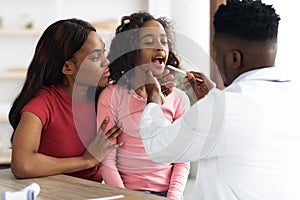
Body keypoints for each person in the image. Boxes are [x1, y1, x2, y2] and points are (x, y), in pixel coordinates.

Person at [140, 0, 300, 199]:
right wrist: (211, 99)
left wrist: (153, 99)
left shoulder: (222, 109)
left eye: (215, 51)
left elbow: (158, 147)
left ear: (234, 58)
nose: (213, 58)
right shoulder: (294, 96)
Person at [8, 18, 122, 181]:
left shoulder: (106, 98)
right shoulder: (43, 103)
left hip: (95, 193)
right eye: (95, 58)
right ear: (68, 67)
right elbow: (22, 164)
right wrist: (86, 160)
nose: (106, 62)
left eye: (104, 52)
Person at [97, 12, 190, 199]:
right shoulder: (112, 95)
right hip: (125, 193)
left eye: (164, 42)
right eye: (149, 42)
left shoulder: (179, 99)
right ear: (132, 53)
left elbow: (182, 160)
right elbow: (106, 159)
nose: (159, 47)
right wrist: (125, 196)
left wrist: (172, 197)